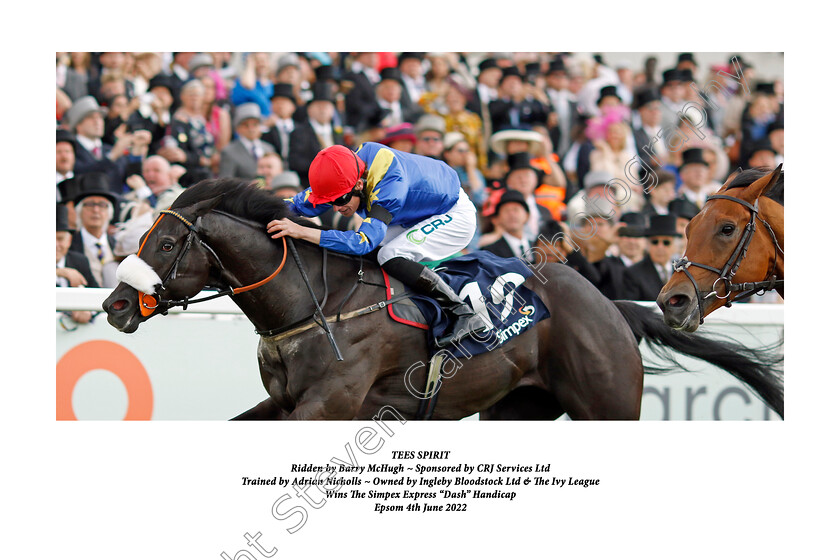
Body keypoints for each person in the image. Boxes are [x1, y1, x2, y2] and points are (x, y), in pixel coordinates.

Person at [266, 144, 484, 348]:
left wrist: (304, 231)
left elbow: (363, 242)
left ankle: (463, 313)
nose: (335, 208)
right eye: (330, 202)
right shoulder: (344, 174)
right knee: (377, 252)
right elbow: (294, 205)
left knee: (389, 254)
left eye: (340, 201)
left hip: (452, 213)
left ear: (359, 185)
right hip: (414, 211)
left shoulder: (389, 184)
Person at [288, 82, 344, 187]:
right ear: (309, 109)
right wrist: (321, 167)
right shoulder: (299, 132)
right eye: (319, 106)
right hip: (310, 185)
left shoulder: (337, 132)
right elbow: (295, 162)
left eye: (326, 106)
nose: (323, 110)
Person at [70, 174, 120, 288]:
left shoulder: (118, 246)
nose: (96, 210)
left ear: (109, 212)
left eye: (102, 205)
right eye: (90, 204)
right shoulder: (69, 245)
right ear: (79, 211)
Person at [622, 214, 682, 301]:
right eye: (655, 242)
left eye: (666, 242)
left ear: (675, 246)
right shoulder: (633, 273)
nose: (660, 247)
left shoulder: (682, 271)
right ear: (648, 245)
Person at [219, 102, 277, 179]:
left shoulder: (269, 148)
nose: (251, 129)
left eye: (255, 124)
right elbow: (225, 181)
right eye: (246, 125)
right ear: (237, 129)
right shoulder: (229, 152)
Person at [481, 189, 533, 261]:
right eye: (506, 211)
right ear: (497, 219)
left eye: (516, 209)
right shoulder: (489, 252)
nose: (512, 214)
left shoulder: (537, 246)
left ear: (527, 216)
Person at [261, 82, 298, 166]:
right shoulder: (266, 128)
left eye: (284, 102)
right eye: (277, 102)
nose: (280, 105)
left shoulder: (301, 129)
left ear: (293, 107)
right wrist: (265, 126)